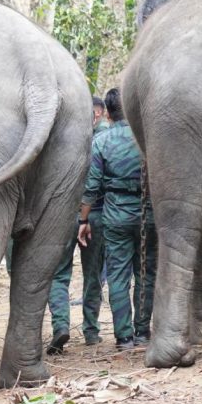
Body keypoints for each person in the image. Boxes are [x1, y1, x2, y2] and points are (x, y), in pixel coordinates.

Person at [77, 89, 156, 350]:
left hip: (115, 215)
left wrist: (83, 220)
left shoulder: (102, 142)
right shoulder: (150, 140)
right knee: (145, 274)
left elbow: (91, 187)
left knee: (118, 276)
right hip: (148, 214)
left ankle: (124, 337)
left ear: (107, 113)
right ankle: (143, 332)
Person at [45, 96, 110, 354]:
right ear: (100, 114)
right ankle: (91, 331)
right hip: (94, 215)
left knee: (58, 275)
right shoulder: (105, 140)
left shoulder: (61, 139)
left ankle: (61, 324)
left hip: (62, 215)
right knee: (92, 275)